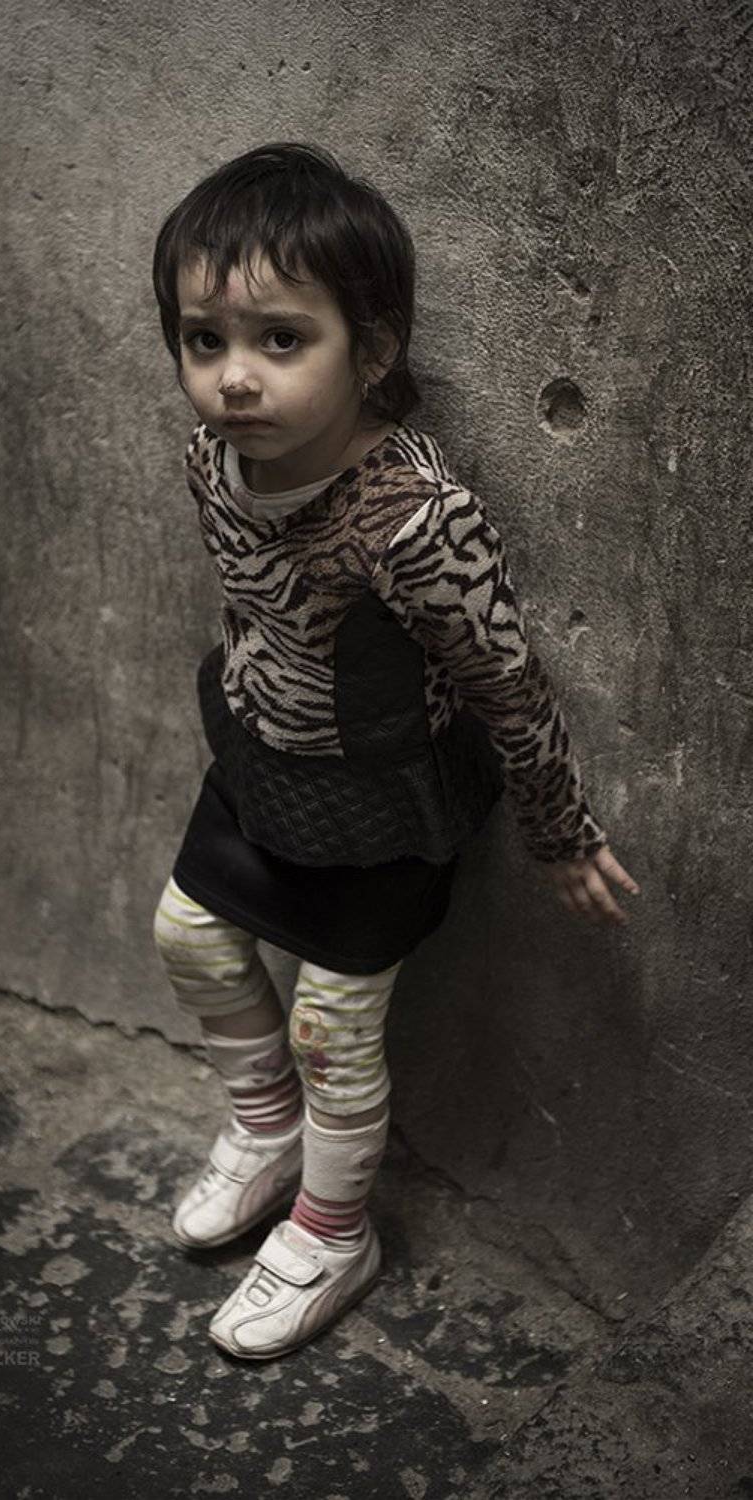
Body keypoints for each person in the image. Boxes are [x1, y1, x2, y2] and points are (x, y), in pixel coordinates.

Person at [149, 142, 640, 1361]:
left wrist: (560, 827)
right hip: (263, 759)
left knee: (332, 1019)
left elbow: (506, 678)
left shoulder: (415, 520)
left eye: (278, 339)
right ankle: (265, 1131)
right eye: (204, 341)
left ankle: (332, 1229)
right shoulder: (216, 460)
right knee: (190, 930)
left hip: (378, 800)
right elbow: (248, 599)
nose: (233, 379)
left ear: (370, 352)